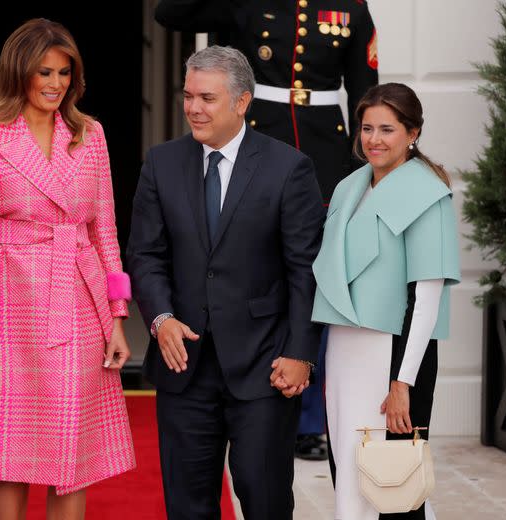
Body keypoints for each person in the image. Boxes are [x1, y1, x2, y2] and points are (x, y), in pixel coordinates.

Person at [154, 0, 380, 460]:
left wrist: (368, 175)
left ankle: (308, 419)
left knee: (311, 279)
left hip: (323, 156)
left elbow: (364, 92)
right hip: (256, 141)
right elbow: (170, 14)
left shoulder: (351, 9)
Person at [0, 18, 136, 519]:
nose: (55, 85)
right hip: (8, 305)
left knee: (71, 458)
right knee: (8, 457)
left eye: (64, 74)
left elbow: (105, 232)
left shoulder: (89, 134)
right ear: (19, 73)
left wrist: (117, 317)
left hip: (76, 301)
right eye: (44, 73)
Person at [127, 45, 324, 519]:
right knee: (188, 505)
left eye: (207, 98)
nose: (193, 107)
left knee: (264, 498)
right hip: (184, 366)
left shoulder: (288, 167)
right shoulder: (161, 163)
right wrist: (161, 318)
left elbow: (305, 271)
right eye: (188, 95)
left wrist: (300, 354)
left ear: (242, 102)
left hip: (265, 365)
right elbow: (144, 254)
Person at [311, 83, 461, 520]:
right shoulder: (350, 187)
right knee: (350, 470)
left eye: (388, 129)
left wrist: (402, 384)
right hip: (346, 349)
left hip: (396, 356)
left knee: (396, 485)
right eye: (367, 128)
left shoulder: (428, 194)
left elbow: (426, 299)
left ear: (412, 132)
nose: (374, 139)